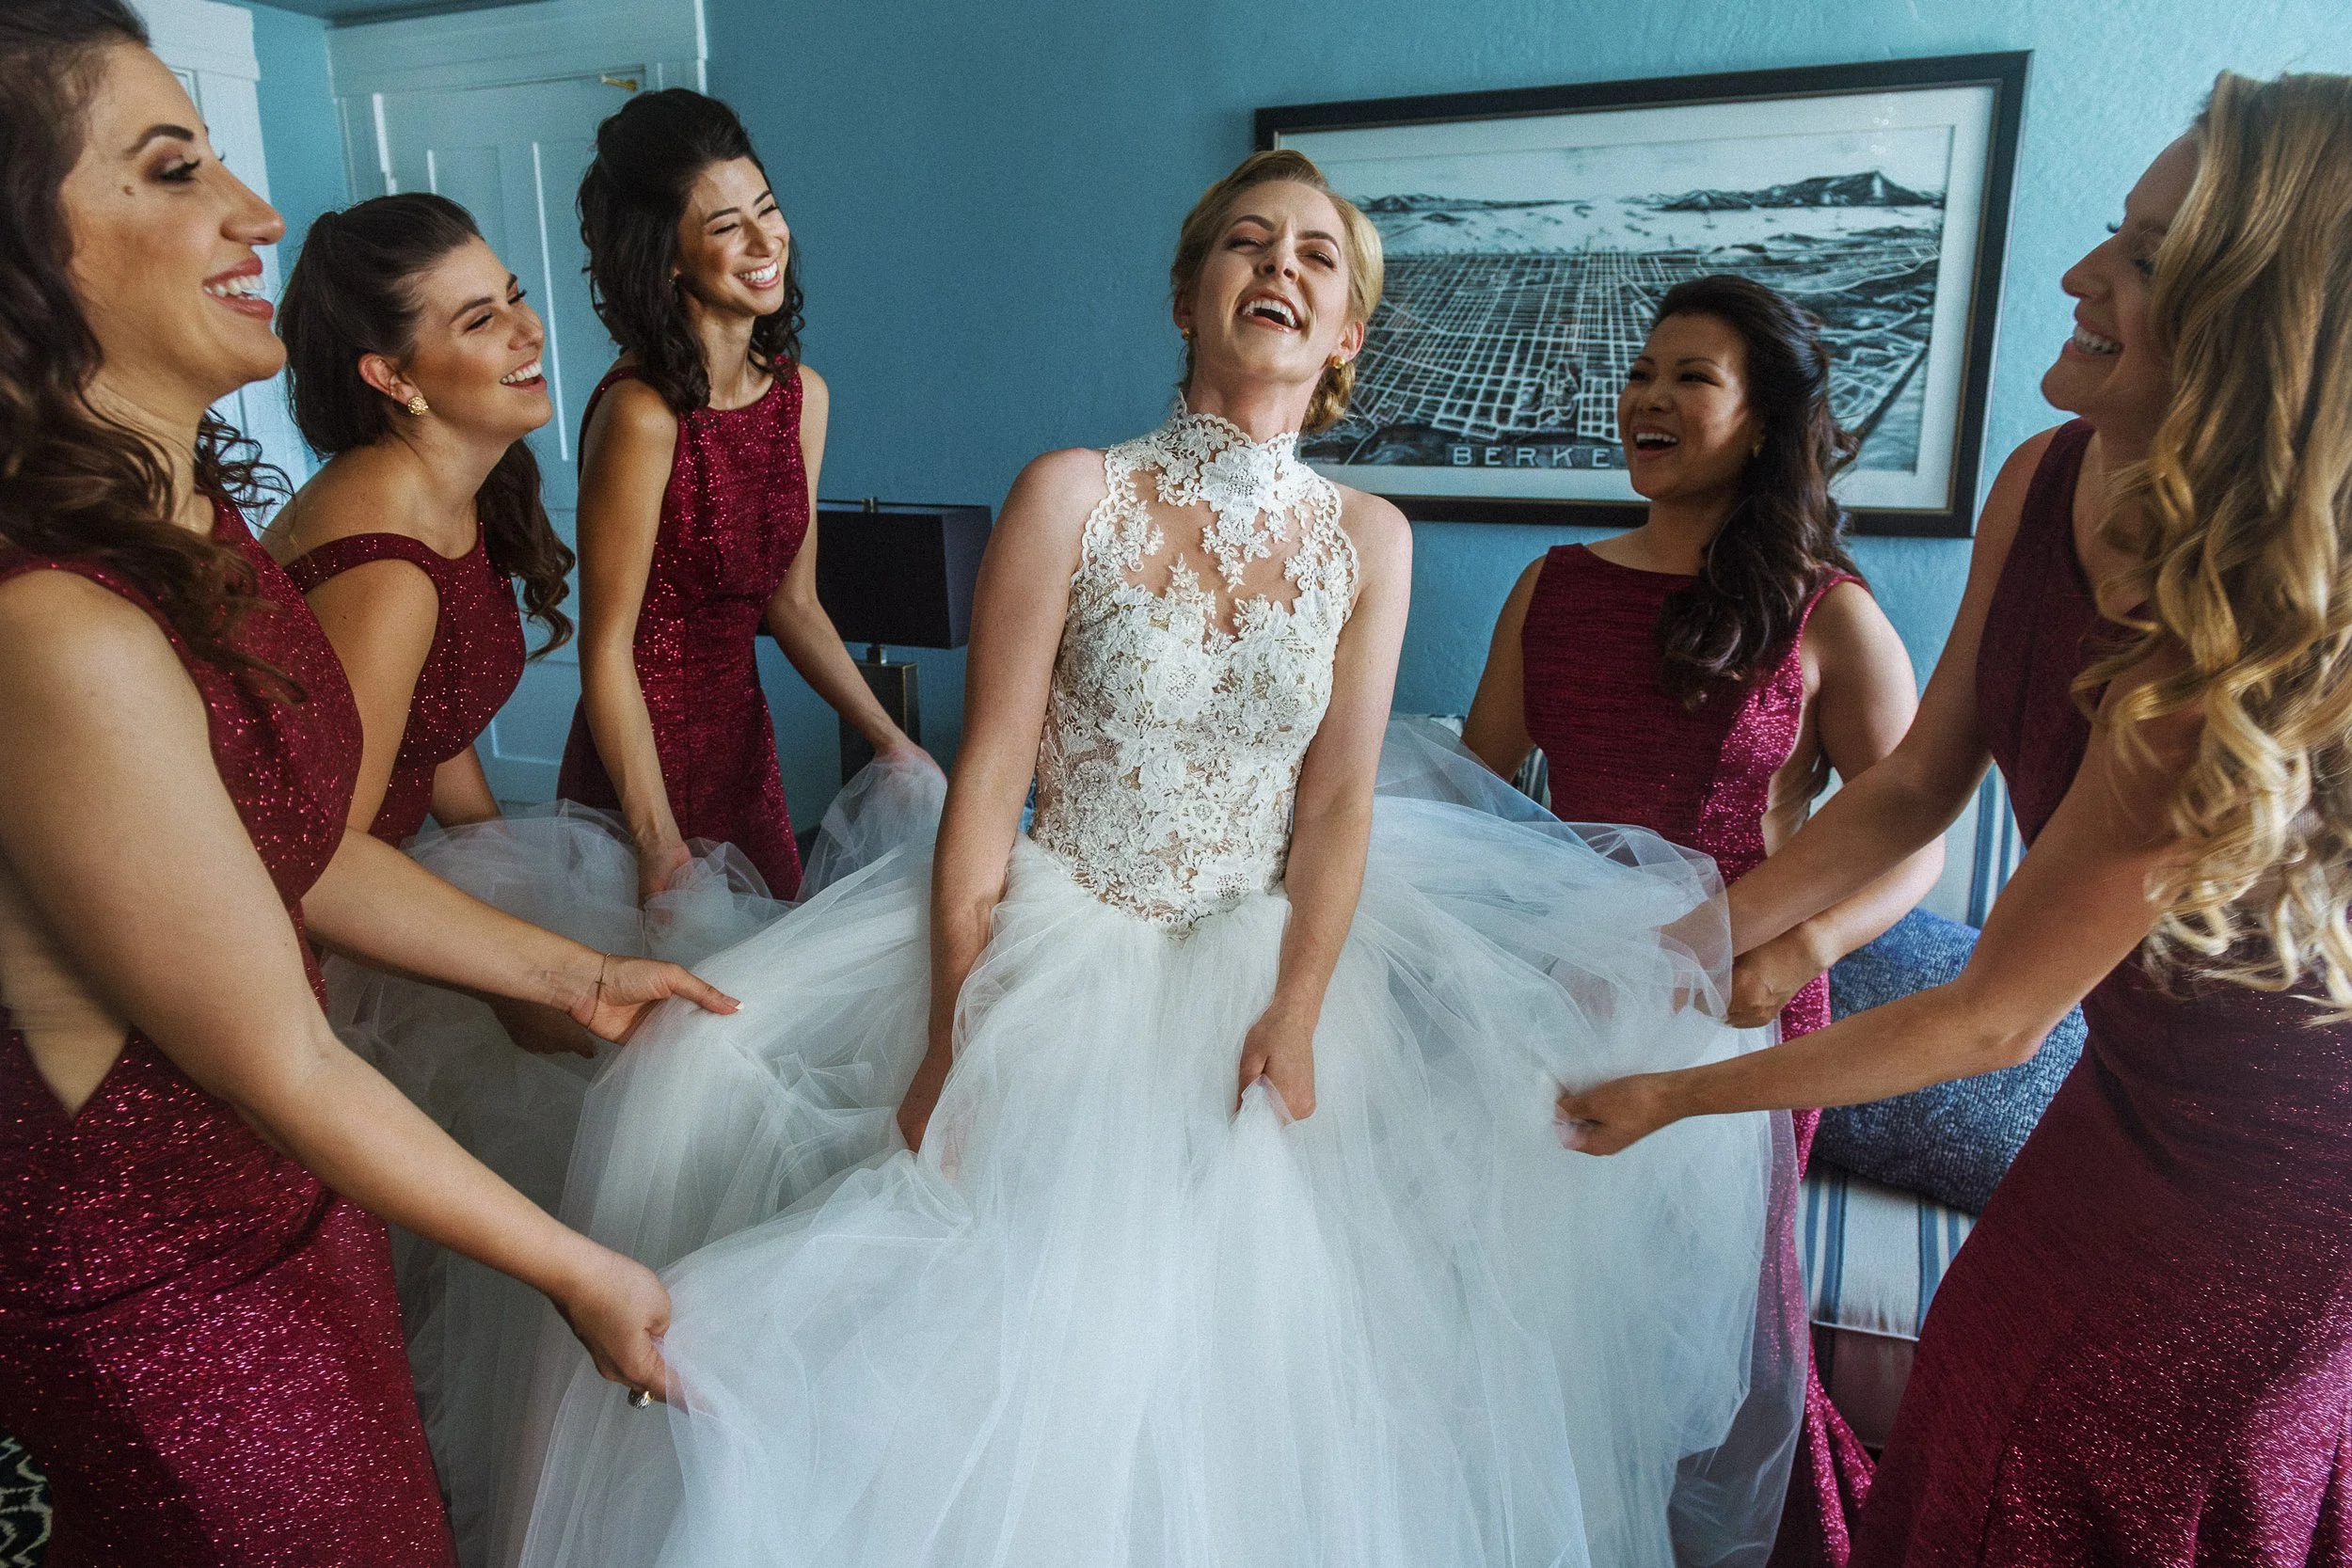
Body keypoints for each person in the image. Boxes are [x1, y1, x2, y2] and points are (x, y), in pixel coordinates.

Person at [506, 149, 1800, 1568]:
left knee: (1256, 1368)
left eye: (1319, 258)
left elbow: (1342, 800)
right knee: (1005, 1319)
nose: (1282, 269)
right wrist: (954, 1031)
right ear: (1189, 296)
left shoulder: (1372, 538)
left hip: (1269, 961)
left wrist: (1297, 1010)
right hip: (1067, 943)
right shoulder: (1072, 491)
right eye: (1248, 244)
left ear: (1348, 334)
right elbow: (990, 773)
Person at [1561, 72, 2352, 1564]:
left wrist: (1669, 1089)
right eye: (2112, 231)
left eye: (2145, 257)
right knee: (1979, 1415)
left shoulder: (2215, 648)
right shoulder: (2046, 477)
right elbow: (1921, 782)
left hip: (2282, 1165)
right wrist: (1683, 944)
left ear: (2260, 322)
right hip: (2130, 1088)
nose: (2081, 274)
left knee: (2075, 1462)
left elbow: (1992, 1013)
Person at [0, 5, 734, 1559]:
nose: (257, 214)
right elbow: (283, 1047)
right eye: (173, 167)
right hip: (168, 1288)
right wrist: (576, 1265)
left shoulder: (195, 524)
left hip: (286, 1207)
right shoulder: (53, 626)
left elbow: (282, 852)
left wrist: (580, 969)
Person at [265, 191, 792, 1564]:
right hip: (305, 944)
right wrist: (526, 970)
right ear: (389, 374)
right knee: (578, 1170)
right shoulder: (377, 554)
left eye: (512, 292)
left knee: (660, 1073)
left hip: (407, 872)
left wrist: (516, 889)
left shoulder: (456, 491)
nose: (525, 329)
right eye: (478, 316)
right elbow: (313, 847)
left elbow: (430, 750)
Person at [1463, 274, 1940, 1567]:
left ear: (1763, 418)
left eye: (1693, 376)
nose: (1651, 398)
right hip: (1570, 993)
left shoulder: (1827, 609)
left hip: (1741, 1009)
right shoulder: (1550, 585)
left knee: (1717, 1331)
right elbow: (1480, 788)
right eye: (1642, 371)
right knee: (1565, 1308)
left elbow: (1919, 835)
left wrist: (1805, 944)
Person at [558, 88, 928, 903]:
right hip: (637, 772)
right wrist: (655, 844)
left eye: (767, 209)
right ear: (667, 258)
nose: (767, 242)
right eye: (726, 226)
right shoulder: (641, 415)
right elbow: (606, 649)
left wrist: (892, 741)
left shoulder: (804, 398)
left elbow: (794, 605)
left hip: (742, 755)